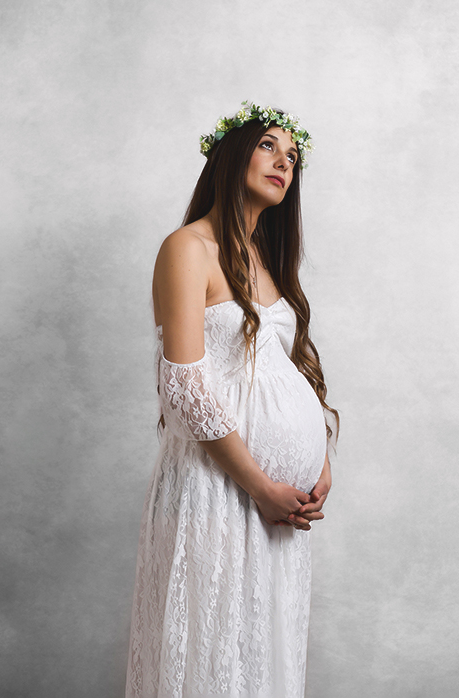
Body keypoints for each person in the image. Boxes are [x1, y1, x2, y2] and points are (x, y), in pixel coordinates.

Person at [126, 102, 338, 698]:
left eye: (293, 157)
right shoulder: (188, 248)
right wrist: (262, 485)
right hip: (217, 488)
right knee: (213, 650)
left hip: (276, 507)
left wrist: (317, 460)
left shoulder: (269, 263)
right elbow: (185, 385)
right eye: (269, 145)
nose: (284, 162)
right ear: (230, 153)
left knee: (260, 654)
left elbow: (288, 371)